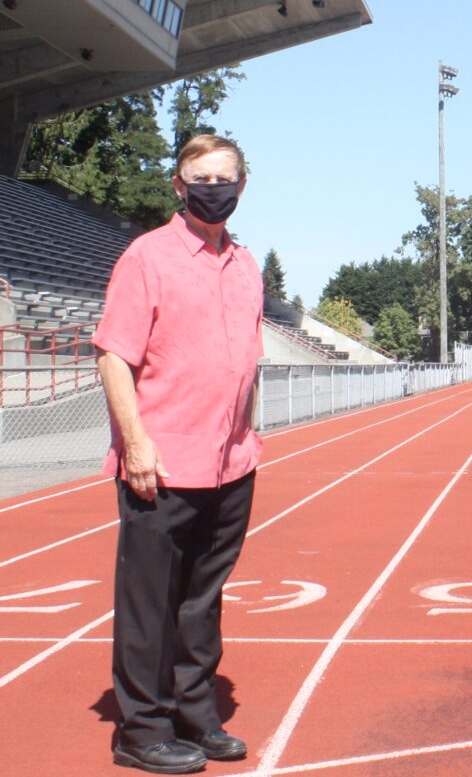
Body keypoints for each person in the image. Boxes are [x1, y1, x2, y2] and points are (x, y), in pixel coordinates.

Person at [95, 134, 264, 773]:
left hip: (231, 462)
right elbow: (114, 353)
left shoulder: (247, 264)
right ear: (178, 184)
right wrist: (135, 442)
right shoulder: (147, 257)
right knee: (151, 602)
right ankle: (141, 729)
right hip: (161, 464)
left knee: (202, 598)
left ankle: (195, 714)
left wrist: (245, 436)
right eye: (201, 177)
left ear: (242, 187)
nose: (213, 188)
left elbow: (243, 359)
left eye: (224, 178)